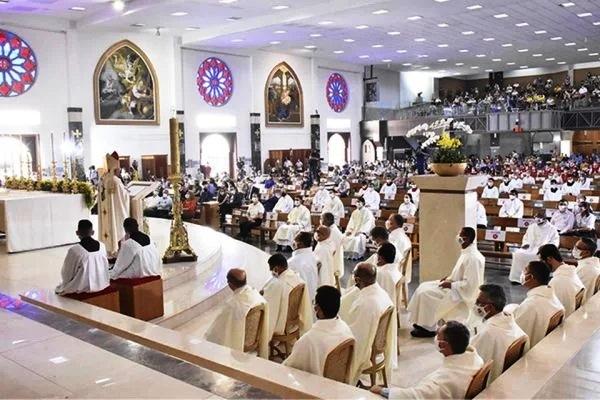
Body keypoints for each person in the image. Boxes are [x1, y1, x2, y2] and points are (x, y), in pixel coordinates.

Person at [370, 321, 484, 399]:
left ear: (443, 345)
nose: (435, 338)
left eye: (437, 336)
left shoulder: (440, 383)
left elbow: (414, 396)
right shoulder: (474, 358)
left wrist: (381, 391)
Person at [409, 227, 485, 337]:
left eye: (460, 234)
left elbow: (471, 285)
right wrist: (449, 278)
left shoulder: (473, 258)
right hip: (454, 286)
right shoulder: (466, 252)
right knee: (423, 286)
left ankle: (429, 328)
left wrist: (451, 284)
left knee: (426, 293)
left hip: (460, 293)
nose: (457, 236)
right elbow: (460, 274)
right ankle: (423, 323)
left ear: (466, 239)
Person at [339, 263, 397, 385]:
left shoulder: (366, 304)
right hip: (378, 344)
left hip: (369, 351)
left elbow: (358, 338)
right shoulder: (380, 292)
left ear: (358, 279)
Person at [283, 286, 355, 381]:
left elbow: (289, 368)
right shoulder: (345, 328)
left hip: (316, 387)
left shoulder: (309, 340)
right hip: (337, 385)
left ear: (318, 308)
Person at [204, 268, 269, 358]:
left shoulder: (232, 304)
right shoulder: (255, 294)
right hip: (253, 339)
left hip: (241, 342)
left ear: (230, 284)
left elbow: (217, 331)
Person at [470, 284, 528, 382]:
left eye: (478, 302)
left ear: (489, 307)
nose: (475, 305)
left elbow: (470, 359)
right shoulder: (507, 319)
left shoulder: (488, 333)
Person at [510, 261, 565, 347]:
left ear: (530, 277)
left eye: (525, 270)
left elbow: (515, 335)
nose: (522, 273)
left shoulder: (530, 305)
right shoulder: (550, 295)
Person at [262, 254, 313, 339]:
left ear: (276, 268)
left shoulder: (279, 284)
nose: (272, 272)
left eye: (272, 270)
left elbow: (269, 305)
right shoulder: (296, 277)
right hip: (294, 320)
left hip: (283, 323)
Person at [55, 219, 110, 295]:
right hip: (103, 283)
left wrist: (65, 284)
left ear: (77, 233)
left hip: (83, 288)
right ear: (93, 232)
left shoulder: (75, 250)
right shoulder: (102, 246)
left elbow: (67, 273)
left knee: (60, 289)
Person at [508, 211, 559, 283]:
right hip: (530, 248)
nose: (537, 220)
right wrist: (526, 244)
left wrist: (545, 248)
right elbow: (526, 237)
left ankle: (536, 278)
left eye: (540, 218)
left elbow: (555, 241)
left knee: (537, 256)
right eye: (536, 218)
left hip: (542, 249)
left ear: (544, 218)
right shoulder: (532, 226)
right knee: (518, 254)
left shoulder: (552, 228)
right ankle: (517, 278)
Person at [539, 244, 586, 316]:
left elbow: (553, 311)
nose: (542, 265)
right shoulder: (570, 272)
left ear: (549, 259)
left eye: (542, 261)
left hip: (566, 319)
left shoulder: (557, 281)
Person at [98, 152, 130, 256]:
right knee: (117, 227)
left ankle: (109, 251)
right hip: (115, 213)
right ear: (116, 168)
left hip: (105, 212)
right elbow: (123, 197)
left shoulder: (103, 179)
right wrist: (127, 193)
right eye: (119, 168)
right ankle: (117, 252)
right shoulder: (115, 181)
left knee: (108, 228)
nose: (119, 170)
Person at [287, 232, 319, 301]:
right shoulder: (314, 256)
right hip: (313, 293)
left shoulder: (292, 262)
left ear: (300, 244)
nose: (293, 243)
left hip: (299, 298)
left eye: (295, 241)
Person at [375, 243, 402, 309]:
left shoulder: (380, 273)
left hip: (382, 306)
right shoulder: (395, 269)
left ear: (380, 257)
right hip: (392, 303)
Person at [321, 212, 345, 279]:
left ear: (328, 220)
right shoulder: (330, 229)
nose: (320, 221)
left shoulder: (333, 231)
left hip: (332, 257)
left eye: (322, 219)